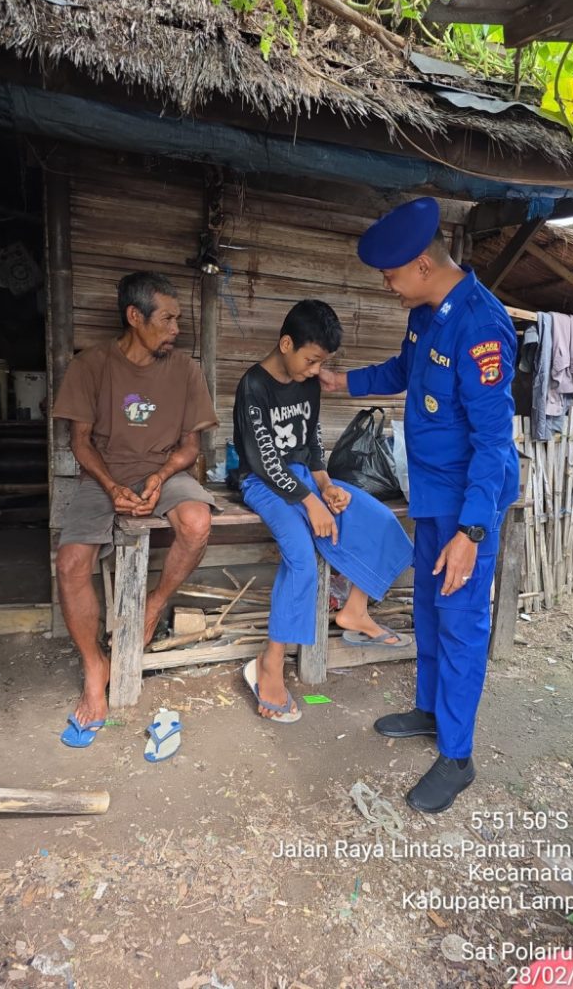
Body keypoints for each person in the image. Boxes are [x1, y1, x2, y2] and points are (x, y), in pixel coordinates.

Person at [319, 198, 520, 813]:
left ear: (423, 265)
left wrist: (472, 531)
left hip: (467, 507)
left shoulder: (481, 327)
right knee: (432, 612)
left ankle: (457, 756)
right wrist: (341, 382)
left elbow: (493, 441)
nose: (387, 285)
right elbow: (404, 369)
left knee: (461, 624)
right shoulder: (426, 314)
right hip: (431, 493)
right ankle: (432, 712)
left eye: (391, 275)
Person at [54, 271, 218, 746]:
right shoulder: (92, 366)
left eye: (178, 320)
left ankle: (153, 605)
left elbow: (190, 448)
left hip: (162, 470)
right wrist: (109, 486)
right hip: (103, 472)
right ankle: (94, 668)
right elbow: (79, 443)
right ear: (134, 316)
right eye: (167, 319)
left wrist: (160, 477)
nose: (175, 329)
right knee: (70, 564)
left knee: (197, 521)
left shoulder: (185, 369)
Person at [233, 299, 414, 723]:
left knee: (381, 521)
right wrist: (311, 502)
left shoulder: (309, 383)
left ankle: (355, 610)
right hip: (260, 482)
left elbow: (313, 445)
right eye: (311, 360)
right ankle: (270, 662)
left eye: (321, 363)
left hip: (304, 478)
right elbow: (264, 461)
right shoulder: (253, 385)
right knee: (300, 556)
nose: (316, 371)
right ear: (286, 343)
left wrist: (328, 486)